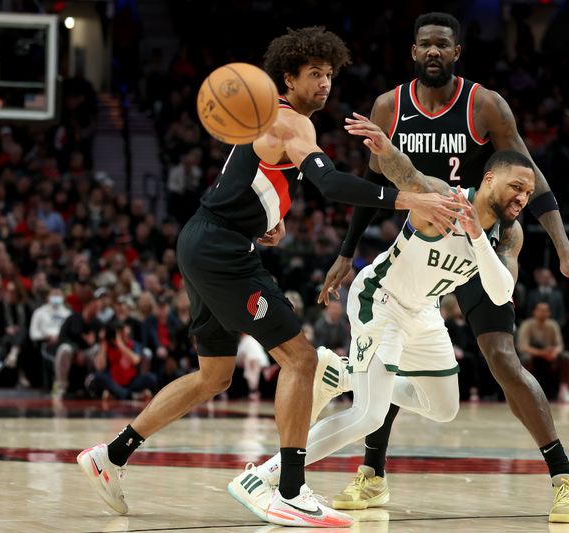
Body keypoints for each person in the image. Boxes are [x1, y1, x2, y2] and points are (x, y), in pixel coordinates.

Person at [76, 26, 460, 528]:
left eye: (329, 75)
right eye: (314, 74)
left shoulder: (269, 120)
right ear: (288, 77)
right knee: (300, 359)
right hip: (221, 249)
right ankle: (290, 490)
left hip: (206, 238)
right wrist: (410, 198)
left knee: (214, 375)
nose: (324, 84)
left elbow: (250, 179)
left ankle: (112, 456)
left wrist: (267, 220)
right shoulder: (291, 122)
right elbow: (330, 184)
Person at [315, 13, 569, 524]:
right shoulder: (389, 106)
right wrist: (345, 252)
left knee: (502, 357)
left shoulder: (484, 104)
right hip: (423, 243)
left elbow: (527, 174)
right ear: (413, 50)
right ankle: (372, 475)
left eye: (442, 45)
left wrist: (564, 247)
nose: (433, 53)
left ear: (456, 52)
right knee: (395, 350)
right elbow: (372, 183)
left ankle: (565, 479)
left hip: (482, 242)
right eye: (425, 44)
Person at [228, 138, 563, 517]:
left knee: (443, 408)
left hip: (424, 313)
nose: (523, 197)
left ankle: (342, 373)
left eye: (529, 192)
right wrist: (385, 150)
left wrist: (475, 236)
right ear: (489, 179)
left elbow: (501, 292)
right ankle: (266, 475)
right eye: (516, 187)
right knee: (369, 415)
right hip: (381, 300)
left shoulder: (508, 235)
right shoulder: (444, 199)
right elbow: (408, 174)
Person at [516, 301, 569, 403]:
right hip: (534, 358)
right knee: (525, 358)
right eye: (541, 310)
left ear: (549, 313)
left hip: (550, 358)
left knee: (567, 356)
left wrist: (554, 352)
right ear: (535, 312)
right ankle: (526, 390)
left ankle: (564, 390)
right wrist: (542, 353)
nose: (543, 313)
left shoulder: (553, 325)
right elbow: (523, 347)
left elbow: (559, 345)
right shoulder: (527, 324)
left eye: (546, 311)